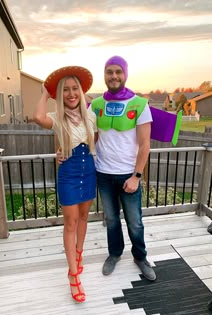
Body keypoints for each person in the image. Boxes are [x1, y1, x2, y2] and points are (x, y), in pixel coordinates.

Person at [33, 66, 97, 303]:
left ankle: (79, 253)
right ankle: (73, 275)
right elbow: (38, 117)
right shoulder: (58, 118)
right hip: (69, 175)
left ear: (81, 92)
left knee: (83, 217)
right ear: (60, 95)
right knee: (70, 222)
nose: (71, 94)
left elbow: (95, 142)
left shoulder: (91, 116)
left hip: (89, 171)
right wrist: (44, 93)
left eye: (74, 89)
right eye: (66, 90)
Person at [91, 55, 156, 281]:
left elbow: (145, 144)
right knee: (111, 220)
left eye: (118, 71)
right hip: (104, 174)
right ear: (105, 75)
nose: (114, 76)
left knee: (135, 222)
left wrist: (136, 176)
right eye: (110, 72)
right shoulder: (96, 105)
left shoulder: (139, 104)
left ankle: (140, 257)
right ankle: (114, 254)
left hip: (129, 176)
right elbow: (92, 138)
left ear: (125, 74)